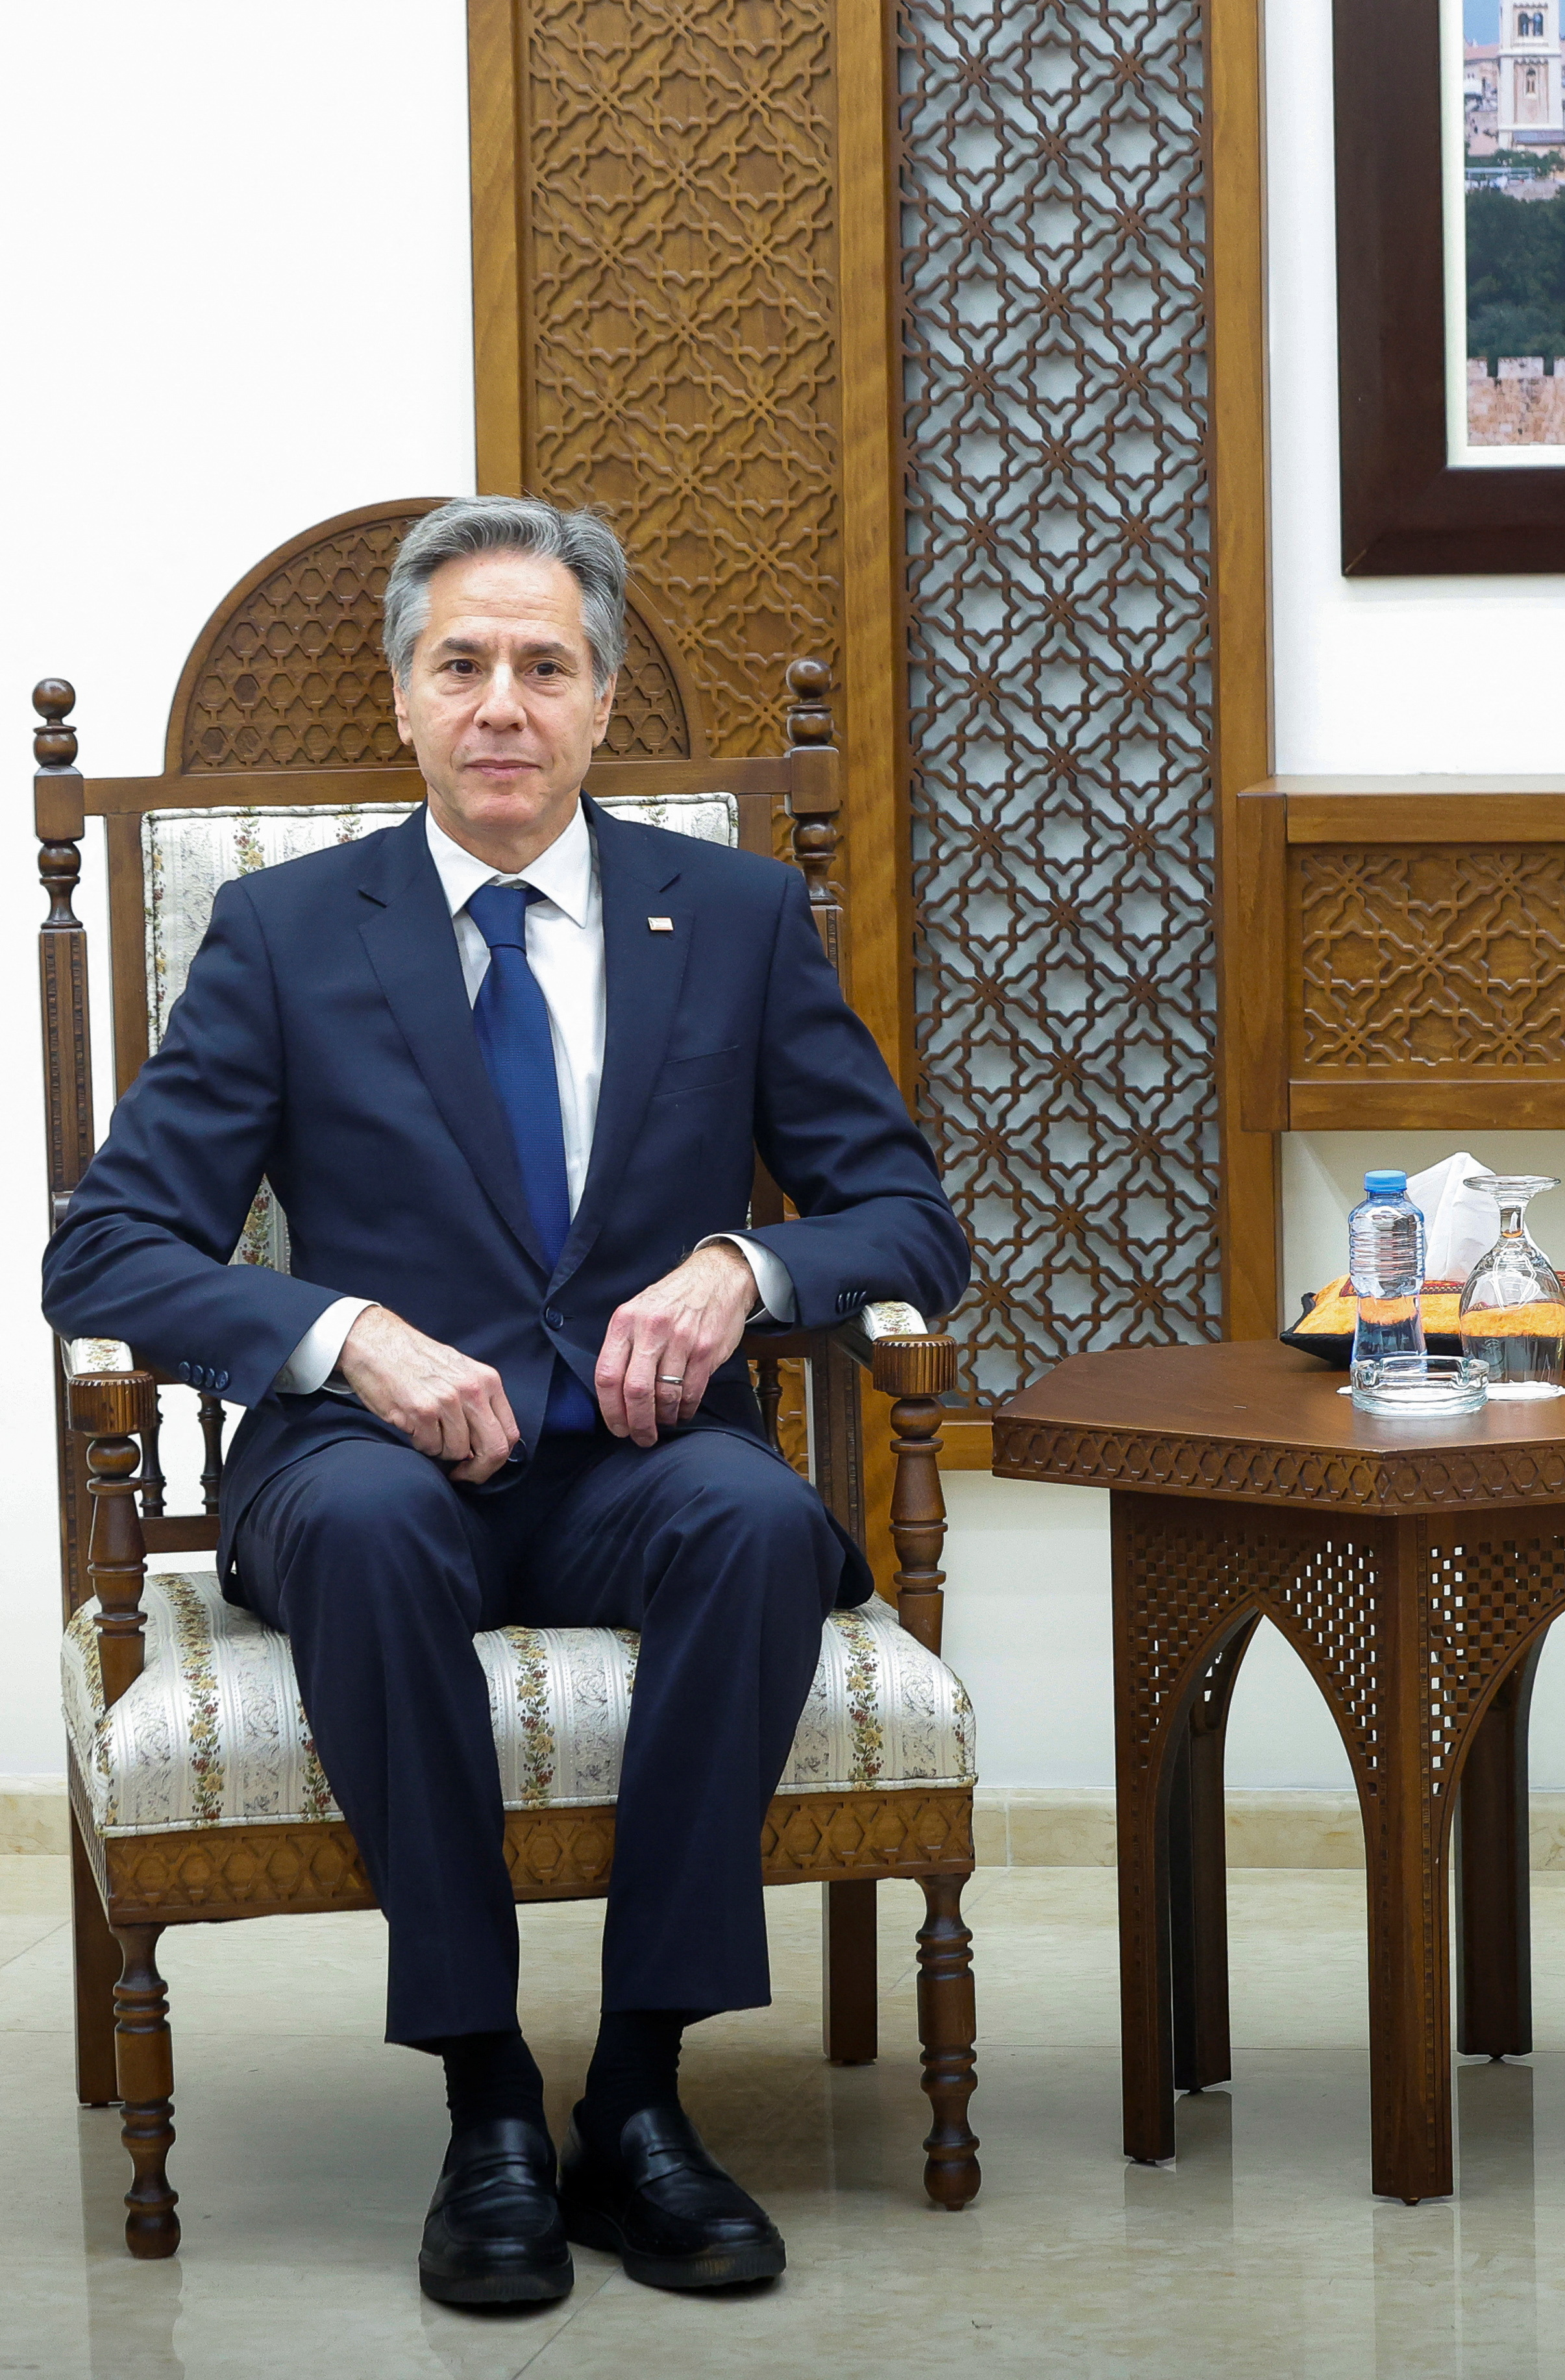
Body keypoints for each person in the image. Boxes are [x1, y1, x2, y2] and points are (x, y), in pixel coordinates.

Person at [42, 497, 968, 2308]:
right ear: (403, 697)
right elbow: (106, 1251)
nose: (501, 704)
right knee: (378, 1524)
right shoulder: (286, 933)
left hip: (629, 1462)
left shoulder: (738, 917)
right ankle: (484, 2100)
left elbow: (907, 1217)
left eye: (545, 665)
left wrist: (739, 1269)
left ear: (600, 699)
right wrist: (346, 1335)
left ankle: (635, 2094)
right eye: (460, 662)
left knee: (763, 1518)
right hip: (363, 1463)